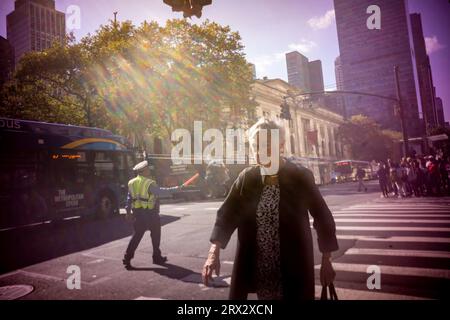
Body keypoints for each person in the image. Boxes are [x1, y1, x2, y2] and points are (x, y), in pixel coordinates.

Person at [201, 118, 338, 300]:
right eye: (255, 146)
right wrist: (214, 252)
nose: (259, 152)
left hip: (294, 266)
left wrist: (327, 259)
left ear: (281, 146)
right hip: (260, 268)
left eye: (266, 146)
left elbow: (322, 217)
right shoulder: (247, 178)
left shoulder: (300, 176)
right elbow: (227, 214)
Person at [123, 160, 183, 269]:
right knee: (155, 235)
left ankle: (127, 258)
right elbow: (160, 191)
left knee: (136, 236)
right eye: (148, 169)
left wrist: (128, 212)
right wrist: (176, 189)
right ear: (144, 171)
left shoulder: (131, 182)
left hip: (138, 213)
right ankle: (156, 257)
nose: (149, 171)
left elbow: (129, 198)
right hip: (150, 213)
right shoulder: (148, 183)